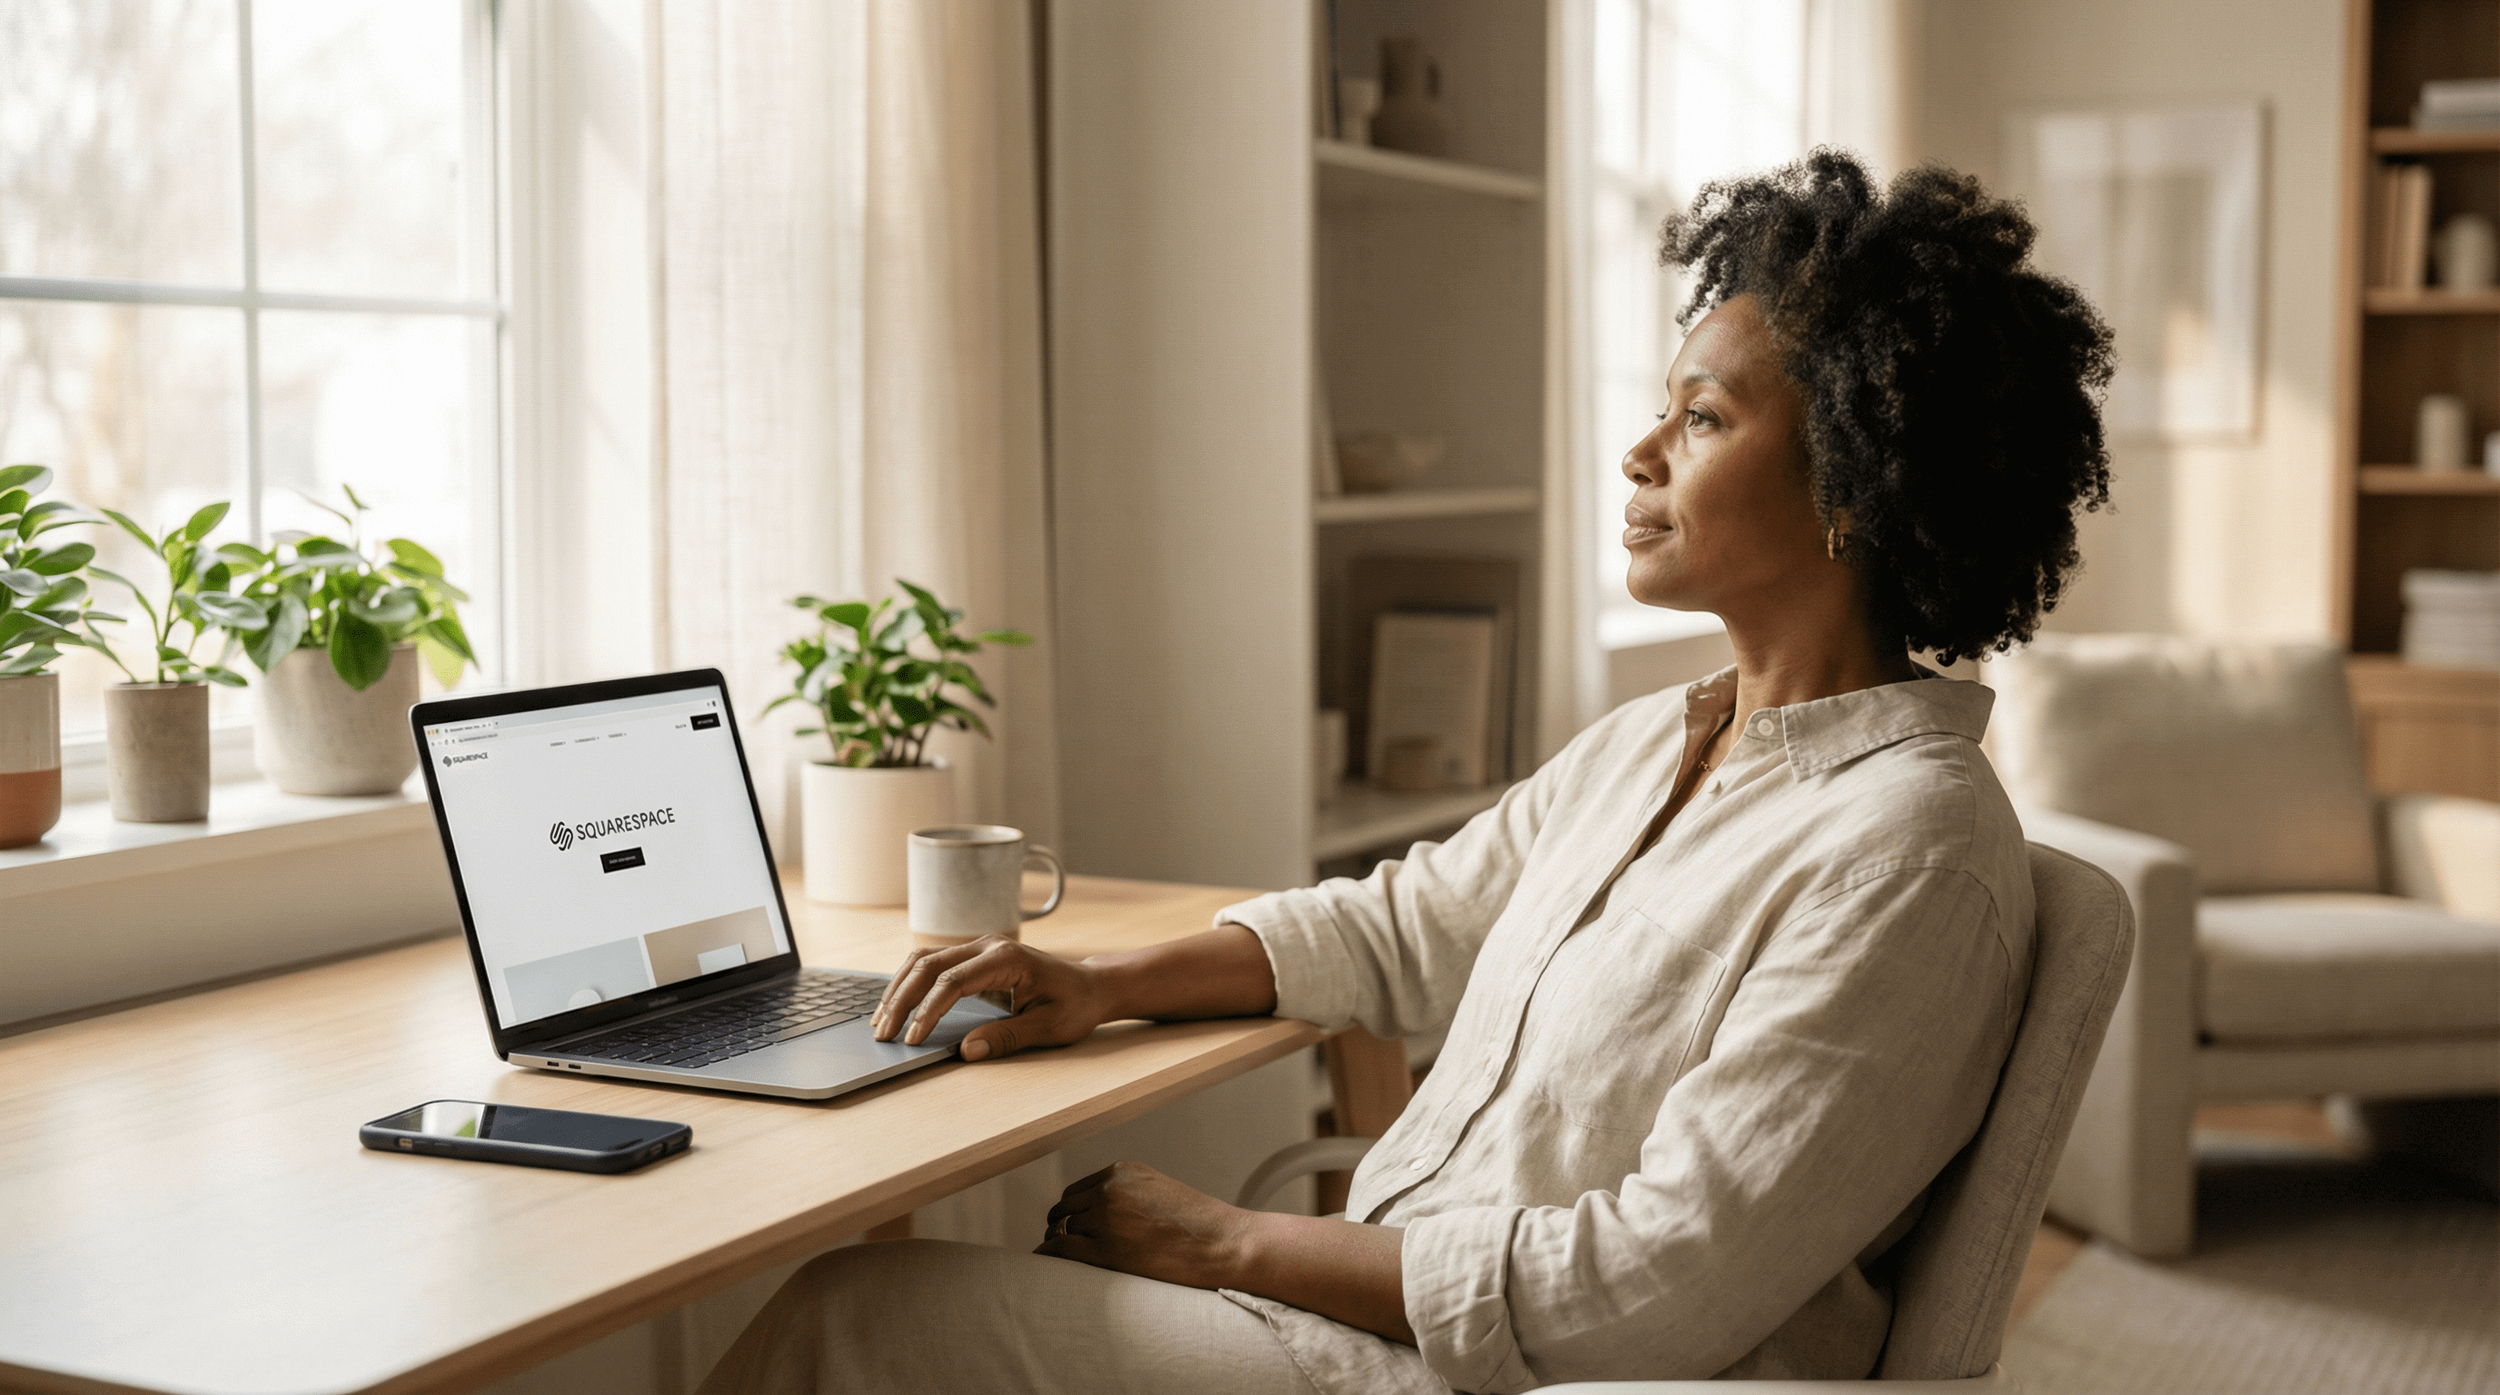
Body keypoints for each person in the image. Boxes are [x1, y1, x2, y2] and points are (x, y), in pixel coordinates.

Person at [698, 150, 2115, 1394]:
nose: (1637, 450)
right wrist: (1106, 981)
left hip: (1473, 1376)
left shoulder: (1908, 852)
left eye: (1700, 419)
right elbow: (1403, 922)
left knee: (857, 1324)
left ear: (1855, 486)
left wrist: (1228, 1242)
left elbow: (1655, 1284)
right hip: (1354, 1322)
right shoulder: (1660, 743)